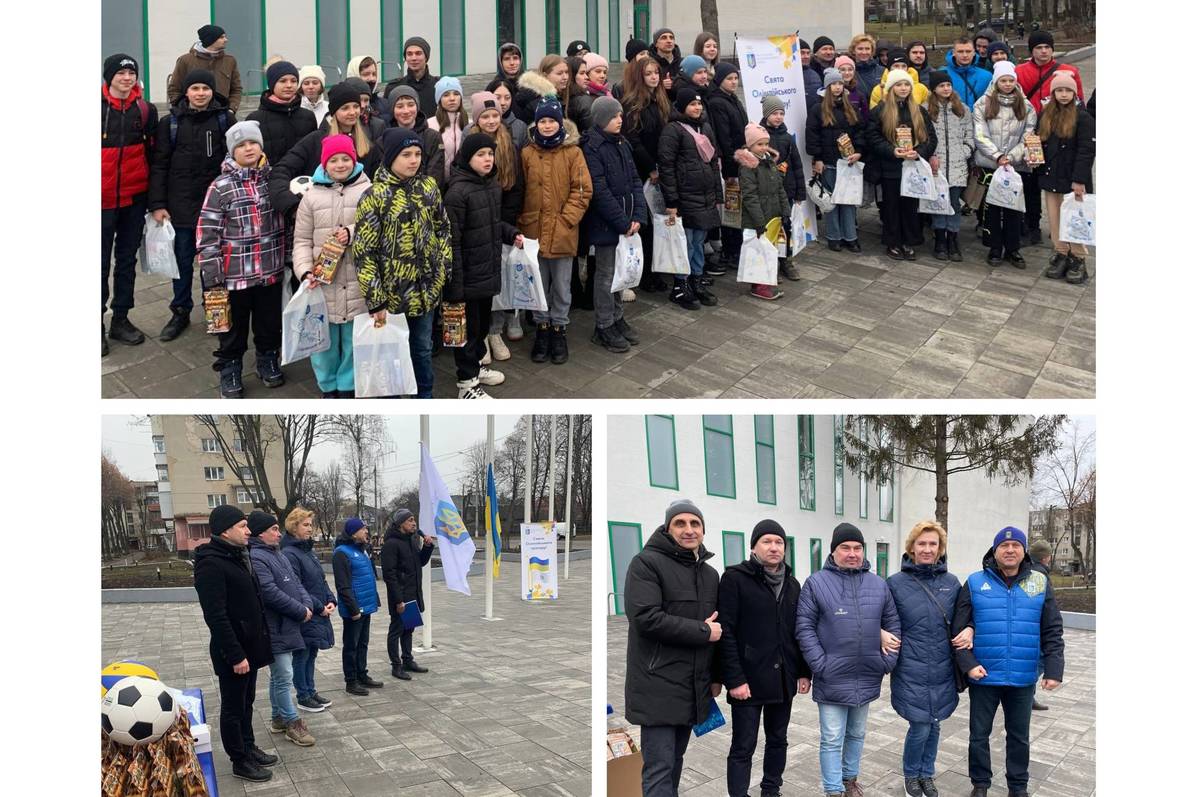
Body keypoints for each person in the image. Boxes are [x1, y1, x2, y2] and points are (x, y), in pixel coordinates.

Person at [952, 527, 1065, 797]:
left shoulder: (1038, 582)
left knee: (1019, 737)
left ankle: (1018, 787)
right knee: (979, 735)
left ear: (1024, 550)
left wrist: (1054, 668)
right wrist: (968, 663)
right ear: (995, 551)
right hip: (984, 674)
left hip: (1022, 675)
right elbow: (959, 628)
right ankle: (980, 784)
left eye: (1016, 545)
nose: (1010, 550)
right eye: (1004, 546)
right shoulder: (976, 582)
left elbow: (1052, 628)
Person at [624, 499, 721, 797]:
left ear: (703, 530)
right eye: (680, 523)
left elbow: (718, 629)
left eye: (695, 524)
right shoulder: (646, 563)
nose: (688, 530)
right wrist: (704, 631)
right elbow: (645, 618)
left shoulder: (709, 574)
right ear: (668, 528)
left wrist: (715, 677)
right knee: (659, 770)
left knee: (675, 764)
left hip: (691, 687)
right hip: (658, 686)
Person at [795, 523, 901, 797]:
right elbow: (804, 627)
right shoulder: (816, 583)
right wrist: (820, 664)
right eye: (845, 548)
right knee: (831, 738)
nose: (852, 553)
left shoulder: (878, 584)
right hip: (832, 676)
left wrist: (886, 661)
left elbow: (893, 622)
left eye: (857, 548)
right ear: (834, 551)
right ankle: (833, 790)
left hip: (867, 673)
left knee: (857, 734)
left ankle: (849, 780)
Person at [353, 126, 453, 398]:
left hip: (426, 291)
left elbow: (442, 227)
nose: (414, 160)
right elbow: (364, 252)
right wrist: (376, 299)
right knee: (395, 351)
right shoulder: (374, 196)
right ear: (391, 158)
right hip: (393, 294)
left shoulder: (428, 187)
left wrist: (442, 265)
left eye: (418, 153)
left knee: (422, 347)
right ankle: (397, 396)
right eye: (406, 154)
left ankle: (425, 394)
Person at [719, 519, 812, 797]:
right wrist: (734, 679)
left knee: (778, 740)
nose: (774, 547)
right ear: (754, 547)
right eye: (767, 541)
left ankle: (771, 789)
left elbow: (800, 631)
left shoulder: (793, 584)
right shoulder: (734, 579)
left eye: (779, 542)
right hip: (747, 682)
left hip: (783, 680)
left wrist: (804, 671)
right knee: (743, 745)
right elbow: (726, 633)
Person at [196, 120, 286, 398]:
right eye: (242, 145)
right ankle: (230, 366)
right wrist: (211, 275)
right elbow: (207, 232)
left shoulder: (274, 181)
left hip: (270, 271)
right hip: (233, 276)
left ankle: (267, 357)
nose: (248, 149)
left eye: (253, 143)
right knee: (232, 328)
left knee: (269, 322)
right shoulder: (220, 187)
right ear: (232, 151)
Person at [886, 521, 974, 797]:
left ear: (940, 548)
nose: (926, 549)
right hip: (911, 668)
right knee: (920, 725)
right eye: (921, 544)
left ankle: (927, 773)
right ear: (911, 548)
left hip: (943, 668)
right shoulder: (895, 583)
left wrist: (971, 629)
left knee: (935, 724)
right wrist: (879, 633)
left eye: (932, 544)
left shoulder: (952, 583)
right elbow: (879, 617)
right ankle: (912, 773)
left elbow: (966, 617)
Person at [148, 69, 236, 343]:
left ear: (213, 91)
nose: (200, 93)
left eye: (205, 89)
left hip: (216, 206)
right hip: (181, 204)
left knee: (216, 261)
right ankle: (180, 310)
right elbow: (159, 165)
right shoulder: (170, 123)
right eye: (195, 88)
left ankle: (215, 310)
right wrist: (158, 204)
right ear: (186, 92)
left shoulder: (225, 119)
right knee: (183, 260)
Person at [192, 505, 277, 782]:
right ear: (226, 530)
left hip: (250, 647)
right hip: (234, 652)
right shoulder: (211, 563)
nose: (249, 531)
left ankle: (248, 746)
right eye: (243, 526)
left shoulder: (240, 555)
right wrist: (235, 654)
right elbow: (215, 616)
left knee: (247, 701)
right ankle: (239, 759)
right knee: (232, 706)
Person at [443, 132, 524, 397]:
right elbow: (452, 241)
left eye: (490, 154)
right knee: (465, 332)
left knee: (480, 328)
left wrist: (511, 234)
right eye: (481, 155)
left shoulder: (491, 185)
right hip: (466, 278)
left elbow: (491, 222)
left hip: (486, 273)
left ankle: (476, 369)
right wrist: (455, 284)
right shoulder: (458, 192)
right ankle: (466, 385)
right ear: (468, 158)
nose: (488, 159)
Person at [292, 134, 372, 397]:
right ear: (324, 163)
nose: (340, 165)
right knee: (322, 342)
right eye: (334, 160)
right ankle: (328, 386)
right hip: (322, 283)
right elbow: (302, 240)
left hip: (357, 281)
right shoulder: (311, 197)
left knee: (352, 341)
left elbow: (377, 228)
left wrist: (352, 232)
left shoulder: (368, 190)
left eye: (345, 159)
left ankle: (348, 385)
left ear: (354, 160)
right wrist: (304, 271)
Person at [518, 93, 593, 365]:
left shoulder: (573, 152)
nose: (547, 126)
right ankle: (542, 327)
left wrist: (567, 220)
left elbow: (582, 190)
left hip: (562, 231)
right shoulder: (527, 153)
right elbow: (520, 190)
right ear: (536, 124)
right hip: (533, 230)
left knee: (561, 285)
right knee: (538, 284)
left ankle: (559, 328)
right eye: (543, 121)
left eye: (552, 121)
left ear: (560, 123)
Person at [101, 53, 157, 356]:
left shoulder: (144, 110)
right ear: (109, 76)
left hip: (134, 199)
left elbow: (153, 154)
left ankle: (120, 319)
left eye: (131, 73)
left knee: (126, 262)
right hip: (101, 201)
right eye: (120, 73)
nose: (126, 78)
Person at [246, 511, 317, 747]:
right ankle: (291, 722)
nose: (279, 533)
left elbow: (297, 584)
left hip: (288, 626)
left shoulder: (278, 554)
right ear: (260, 533)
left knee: (280, 675)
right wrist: (299, 610)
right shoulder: (256, 557)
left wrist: (307, 605)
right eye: (274, 529)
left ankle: (277, 717)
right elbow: (269, 592)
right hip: (274, 627)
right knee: (284, 675)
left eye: (278, 529)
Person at [582, 97, 646, 352]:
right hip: (607, 225)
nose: (620, 120)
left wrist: (638, 215)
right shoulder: (592, 147)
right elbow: (599, 191)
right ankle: (604, 324)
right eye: (614, 117)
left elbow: (634, 180)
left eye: (620, 116)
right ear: (600, 120)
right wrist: (621, 222)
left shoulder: (622, 143)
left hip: (627, 223)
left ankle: (618, 317)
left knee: (621, 273)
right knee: (606, 274)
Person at [269, 82, 382, 225]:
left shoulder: (367, 144)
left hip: (356, 224)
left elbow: (378, 183)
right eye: (345, 108)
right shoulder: (315, 141)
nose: (352, 112)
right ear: (334, 112)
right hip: (321, 225)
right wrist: (293, 207)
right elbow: (280, 172)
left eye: (356, 106)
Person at [1016, 31, 1084, 245]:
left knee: (1059, 183)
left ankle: (1066, 235)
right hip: (1031, 132)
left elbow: (1079, 100)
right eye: (1038, 47)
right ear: (1032, 50)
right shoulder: (1021, 71)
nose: (1043, 51)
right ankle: (1033, 224)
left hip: (1059, 134)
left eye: (1047, 47)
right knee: (1031, 182)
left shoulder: (1068, 71)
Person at [658, 87, 723, 311]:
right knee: (684, 242)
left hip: (704, 196)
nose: (697, 108)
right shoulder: (672, 130)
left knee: (698, 241)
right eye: (692, 104)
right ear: (682, 106)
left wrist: (717, 193)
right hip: (686, 197)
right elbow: (666, 167)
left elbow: (714, 162)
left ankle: (696, 279)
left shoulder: (705, 127)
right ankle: (680, 284)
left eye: (699, 104)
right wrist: (672, 201)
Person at [866, 70, 938, 261]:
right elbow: (872, 138)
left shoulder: (919, 111)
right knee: (891, 207)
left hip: (913, 168)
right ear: (891, 88)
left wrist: (919, 153)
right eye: (899, 84)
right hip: (891, 168)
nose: (903, 88)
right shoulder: (880, 111)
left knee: (910, 207)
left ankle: (909, 241)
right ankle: (893, 242)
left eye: (906, 84)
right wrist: (891, 151)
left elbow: (930, 138)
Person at [973, 61, 1036, 269]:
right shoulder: (983, 103)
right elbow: (980, 134)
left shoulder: (1025, 106)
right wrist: (998, 155)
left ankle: (1013, 248)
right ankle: (994, 247)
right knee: (992, 208)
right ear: (996, 81)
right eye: (1003, 80)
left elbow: (1028, 134)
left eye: (1011, 80)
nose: (1007, 84)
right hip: (992, 163)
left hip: (1015, 166)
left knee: (1014, 209)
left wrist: (1013, 156)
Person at [621, 55, 672, 295]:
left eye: (656, 73)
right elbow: (633, 139)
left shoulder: (661, 100)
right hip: (643, 171)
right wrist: (651, 166)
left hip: (662, 167)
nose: (654, 77)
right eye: (649, 73)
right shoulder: (633, 104)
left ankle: (658, 268)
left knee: (660, 221)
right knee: (646, 225)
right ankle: (646, 275)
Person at [280, 507, 337, 713]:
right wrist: (319, 607)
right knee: (302, 655)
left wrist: (331, 599)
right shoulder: (289, 553)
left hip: (318, 611)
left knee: (312, 653)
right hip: (306, 613)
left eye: (311, 524)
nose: (310, 528)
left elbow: (320, 580)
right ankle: (303, 695)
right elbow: (297, 586)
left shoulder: (308, 551)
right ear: (293, 527)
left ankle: (311, 691)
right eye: (305, 525)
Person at [807, 70, 865, 254]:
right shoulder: (818, 109)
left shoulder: (851, 109)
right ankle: (834, 236)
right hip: (829, 162)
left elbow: (860, 132)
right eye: (834, 84)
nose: (838, 87)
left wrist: (859, 152)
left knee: (848, 201)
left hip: (848, 162)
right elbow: (813, 135)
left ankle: (850, 236)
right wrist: (817, 158)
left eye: (840, 84)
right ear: (827, 87)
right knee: (831, 201)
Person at [926, 70, 975, 261]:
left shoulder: (962, 109)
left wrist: (964, 152)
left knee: (954, 203)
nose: (946, 89)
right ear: (934, 89)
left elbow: (969, 136)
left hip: (957, 166)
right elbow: (924, 137)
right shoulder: (927, 110)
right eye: (941, 86)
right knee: (938, 203)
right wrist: (931, 155)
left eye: (948, 85)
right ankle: (939, 238)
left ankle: (953, 238)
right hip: (936, 165)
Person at [380, 509, 435, 679]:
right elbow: (389, 575)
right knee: (396, 629)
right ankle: (396, 665)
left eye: (414, 520)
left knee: (409, 629)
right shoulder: (391, 544)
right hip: (401, 597)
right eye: (410, 520)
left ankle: (407, 660)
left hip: (413, 593)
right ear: (401, 523)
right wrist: (398, 600)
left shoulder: (412, 540)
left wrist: (427, 546)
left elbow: (420, 562)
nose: (414, 523)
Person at [737, 123, 789, 301]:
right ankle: (759, 285)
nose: (764, 147)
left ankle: (766, 280)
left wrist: (785, 210)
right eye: (760, 144)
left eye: (766, 143)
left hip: (772, 214)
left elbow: (779, 188)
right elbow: (750, 197)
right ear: (750, 145)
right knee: (757, 251)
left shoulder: (769, 162)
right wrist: (759, 222)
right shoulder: (747, 166)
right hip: (757, 219)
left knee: (769, 249)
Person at [332, 518, 384, 695]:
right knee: (351, 645)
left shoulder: (362, 551)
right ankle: (351, 681)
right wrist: (353, 609)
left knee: (363, 643)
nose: (367, 532)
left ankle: (362, 674)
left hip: (366, 606)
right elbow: (343, 585)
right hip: (354, 610)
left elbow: (369, 578)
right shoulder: (341, 553)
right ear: (353, 532)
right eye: (363, 529)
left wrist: (374, 600)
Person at [707, 62, 749, 275]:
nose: (733, 82)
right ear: (720, 80)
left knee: (737, 209)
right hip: (731, 164)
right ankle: (730, 250)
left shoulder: (733, 99)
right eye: (729, 79)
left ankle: (736, 248)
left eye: (735, 78)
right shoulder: (717, 103)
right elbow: (724, 137)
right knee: (731, 210)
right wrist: (734, 163)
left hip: (741, 160)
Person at [759, 95, 803, 280]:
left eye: (781, 113)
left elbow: (797, 165)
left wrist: (800, 191)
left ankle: (786, 259)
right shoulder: (761, 137)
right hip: (768, 193)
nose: (778, 117)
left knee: (786, 227)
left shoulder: (787, 138)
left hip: (787, 190)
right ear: (766, 114)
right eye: (774, 113)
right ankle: (769, 263)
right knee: (770, 227)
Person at [248, 61, 318, 171]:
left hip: (302, 181)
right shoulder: (255, 119)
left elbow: (314, 152)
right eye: (283, 81)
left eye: (294, 81)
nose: (289, 85)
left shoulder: (307, 116)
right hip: (268, 181)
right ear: (272, 84)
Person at [167, 24, 243, 112]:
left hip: (221, 115)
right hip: (190, 117)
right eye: (221, 37)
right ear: (211, 40)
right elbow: (174, 89)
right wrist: (183, 109)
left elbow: (236, 89)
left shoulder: (230, 61)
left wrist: (231, 109)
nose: (226, 40)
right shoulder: (185, 60)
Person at [384, 85, 446, 191]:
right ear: (392, 110)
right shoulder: (384, 140)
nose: (406, 111)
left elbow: (435, 173)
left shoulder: (432, 137)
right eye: (399, 106)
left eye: (411, 105)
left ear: (417, 107)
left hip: (426, 196)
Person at [1026, 539, 1053, 712]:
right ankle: (1027, 692)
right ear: (1045, 557)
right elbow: (1038, 607)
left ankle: (1028, 694)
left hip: (1032, 630)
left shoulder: (1032, 570)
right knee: (1038, 662)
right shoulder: (1038, 575)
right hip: (1036, 631)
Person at [385, 36, 440, 117]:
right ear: (405, 58)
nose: (414, 58)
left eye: (418, 53)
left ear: (426, 57)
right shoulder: (393, 87)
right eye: (409, 54)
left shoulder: (438, 86)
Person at [430, 76, 467, 181]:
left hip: (463, 183)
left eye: (456, 94)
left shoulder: (470, 124)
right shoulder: (430, 125)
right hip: (438, 183)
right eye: (446, 95)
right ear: (439, 99)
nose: (452, 98)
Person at [945, 38, 992, 109]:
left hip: (979, 118)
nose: (965, 55)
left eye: (968, 51)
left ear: (974, 52)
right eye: (960, 51)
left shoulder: (987, 76)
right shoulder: (943, 73)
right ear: (954, 53)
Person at [485, 76, 529, 149]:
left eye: (507, 98)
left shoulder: (520, 127)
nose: (503, 103)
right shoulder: (473, 127)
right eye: (497, 97)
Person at [345, 55, 389, 119]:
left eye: (374, 74)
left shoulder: (385, 104)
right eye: (366, 74)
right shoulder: (342, 107)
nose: (372, 79)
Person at [834, 55, 871, 121]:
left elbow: (865, 118)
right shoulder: (832, 93)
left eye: (850, 69)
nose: (847, 73)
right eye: (842, 70)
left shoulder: (859, 95)